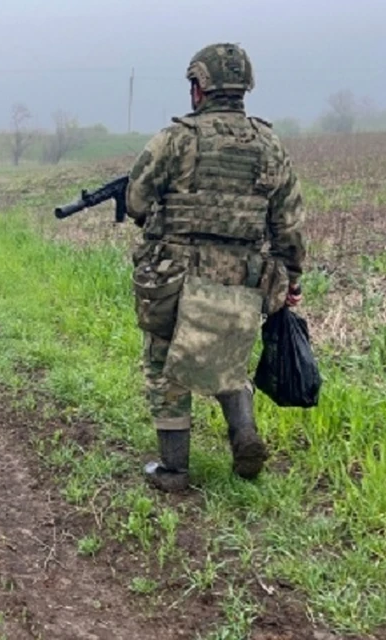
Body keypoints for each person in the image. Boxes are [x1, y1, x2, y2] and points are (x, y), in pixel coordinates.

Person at [125, 43, 306, 492]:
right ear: (244, 87)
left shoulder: (176, 139)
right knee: (228, 358)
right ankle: (243, 435)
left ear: (199, 87)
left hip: (175, 274)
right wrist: (292, 280)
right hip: (241, 276)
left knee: (166, 362)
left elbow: (137, 201)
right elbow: (289, 223)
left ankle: (174, 470)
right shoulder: (269, 144)